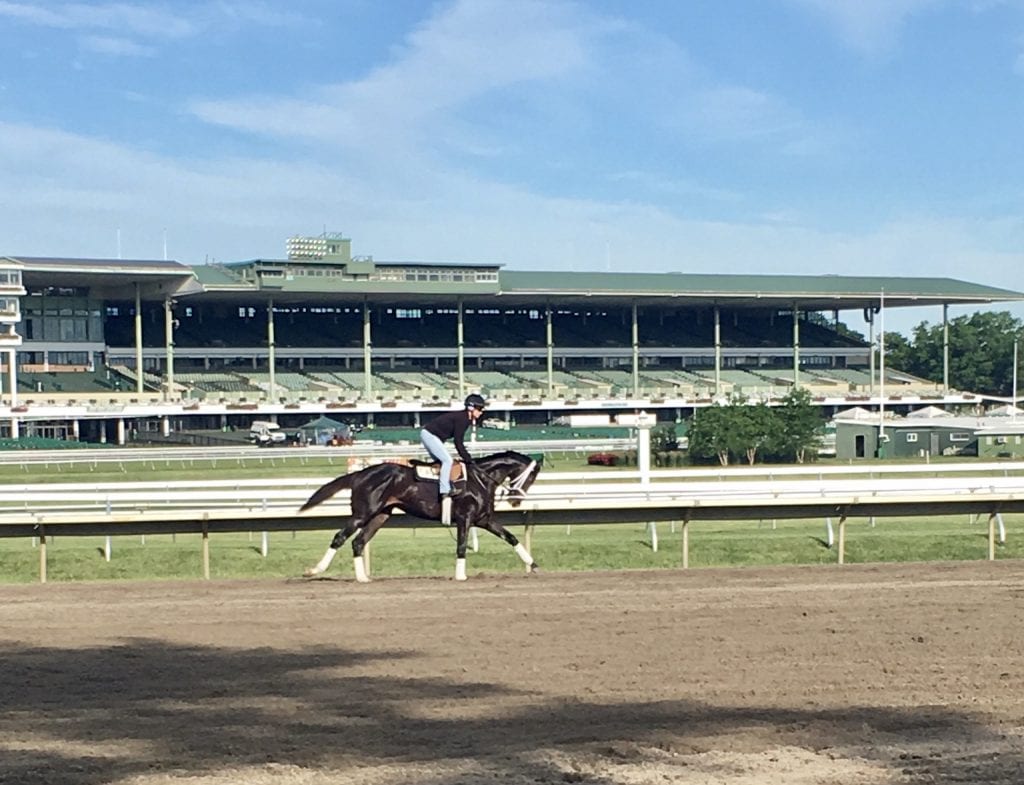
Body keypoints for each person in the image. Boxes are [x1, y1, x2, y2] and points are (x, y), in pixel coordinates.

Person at [420, 394, 487, 497]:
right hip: (429, 435)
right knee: (448, 461)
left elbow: (458, 442)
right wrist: (468, 459)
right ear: (471, 408)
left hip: (431, 435)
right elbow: (458, 442)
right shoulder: (463, 419)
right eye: (479, 409)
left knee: (441, 462)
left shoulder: (466, 419)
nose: (481, 412)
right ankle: (444, 490)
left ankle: (436, 487)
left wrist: (467, 458)